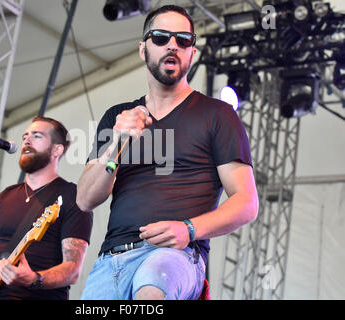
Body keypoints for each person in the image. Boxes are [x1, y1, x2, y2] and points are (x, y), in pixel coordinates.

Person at [77, 5, 258, 300]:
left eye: (183, 39)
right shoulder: (118, 117)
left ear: (192, 53)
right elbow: (85, 199)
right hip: (112, 260)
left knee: (152, 288)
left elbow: (247, 202)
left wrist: (189, 229)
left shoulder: (218, 114)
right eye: (161, 37)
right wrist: (116, 145)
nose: (172, 44)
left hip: (176, 256)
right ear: (142, 48)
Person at [0, 116, 93, 300]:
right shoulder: (4, 197)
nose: (27, 140)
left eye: (37, 136)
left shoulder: (73, 196)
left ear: (57, 149)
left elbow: (72, 270)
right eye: (25, 136)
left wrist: (34, 278)